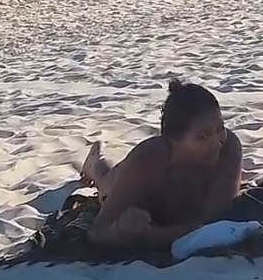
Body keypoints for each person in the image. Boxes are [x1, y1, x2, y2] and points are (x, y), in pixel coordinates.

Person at [81, 79, 243, 251]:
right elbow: (97, 231)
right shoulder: (146, 161)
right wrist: (119, 230)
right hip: (128, 179)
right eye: (203, 136)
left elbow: (210, 226)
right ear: (173, 140)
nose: (217, 142)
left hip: (162, 219)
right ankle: (95, 160)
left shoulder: (228, 149)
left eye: (220, 129)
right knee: (106, 180)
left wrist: (151, 235)